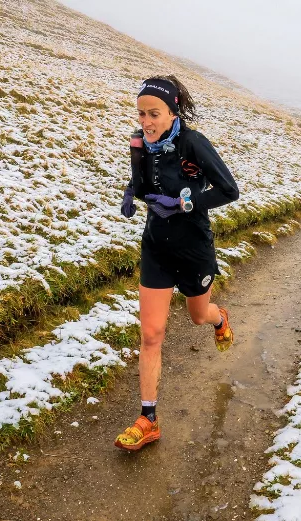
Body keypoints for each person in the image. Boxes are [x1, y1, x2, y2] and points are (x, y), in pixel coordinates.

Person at [114, 75, 240, 451]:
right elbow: (141, 182)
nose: (146, 122)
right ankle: (148, 418)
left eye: (154, 113)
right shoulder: (141, 143)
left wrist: (185, 204)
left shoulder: (193, 142)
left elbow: (229, 190)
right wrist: (129, 194)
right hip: (156, 245)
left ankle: (220, 319)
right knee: (151, 334)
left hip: (192, 248)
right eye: (141, 114)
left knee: (198, 316)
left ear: (172, 112)